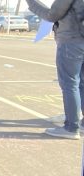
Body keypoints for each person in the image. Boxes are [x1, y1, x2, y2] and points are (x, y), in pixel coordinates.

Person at [26, 0, 84, 139]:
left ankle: (71, 127)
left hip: (72, 41)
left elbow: (52, 15)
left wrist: (32, 3)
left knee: (70, 84)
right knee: (81, 83)